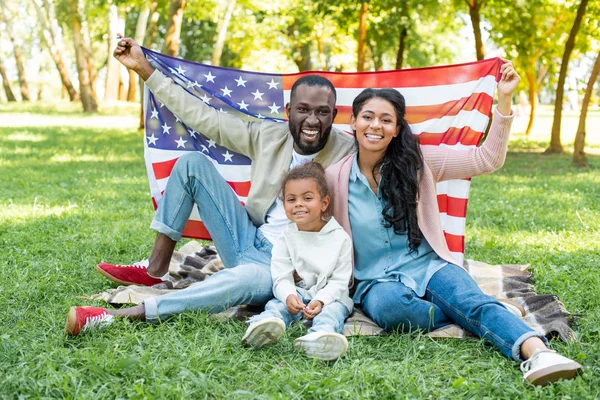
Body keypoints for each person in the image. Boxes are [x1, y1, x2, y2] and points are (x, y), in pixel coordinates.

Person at [64, 37, 355, 336]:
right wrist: (144, 69)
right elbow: (206, 119)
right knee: (192, 164)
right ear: (288, 110)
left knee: (240, 282)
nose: (312, 120)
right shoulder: (269, 135)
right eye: (303, 110)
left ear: (334, 115)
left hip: (281, 269)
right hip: (247, 239)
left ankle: (127, 314)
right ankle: (155, 270)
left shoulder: (349, 151)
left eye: (322, 112)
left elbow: (391, 165)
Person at [325, 61, 582, 386]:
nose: (376, 125)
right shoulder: (334, 177)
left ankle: (539, 354)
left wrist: (503, 100)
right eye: (368, 117)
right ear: (353, 122)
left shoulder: (419, 162)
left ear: (397, 128)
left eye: (386, 119)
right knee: (392, 311)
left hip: (428, 265)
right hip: (374, 282)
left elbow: (486, 159)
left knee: (468, 300)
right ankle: (490, 310)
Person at [241, 162, 353, 361]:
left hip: (333, 295)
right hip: (301, 291)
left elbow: (340, 281)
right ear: (284, 205)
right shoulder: (286, 237)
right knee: (277, 304)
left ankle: (320, 337)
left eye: (307, 198)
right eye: (291, 199)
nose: (298, 204)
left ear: (324, 203)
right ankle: (266, 326)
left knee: (332, 312)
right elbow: (281, 276)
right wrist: (289, 295)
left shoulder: (340, 238)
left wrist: (321, 300)